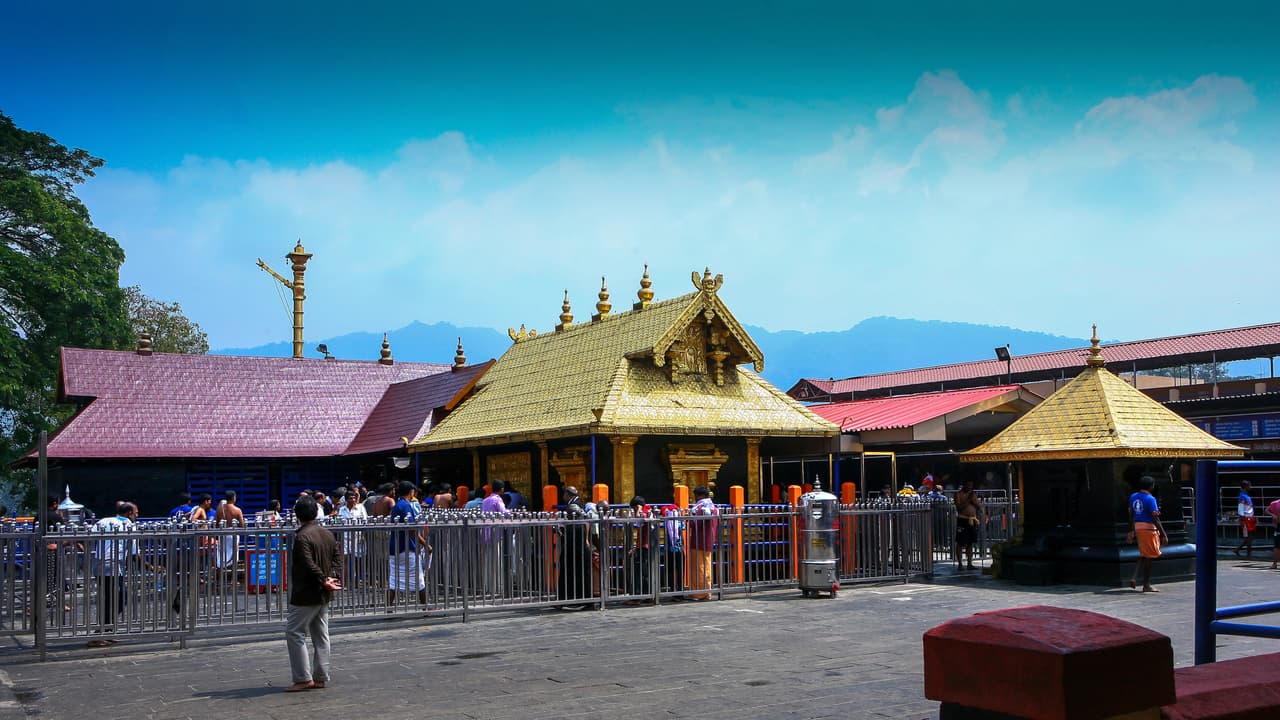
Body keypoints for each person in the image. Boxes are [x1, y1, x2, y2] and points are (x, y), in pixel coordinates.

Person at [284, 494, 341, 692]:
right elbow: (337, 559)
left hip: (306, 592)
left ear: (297, 515)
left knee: (295, 632)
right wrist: (331, 577)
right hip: (323, 592)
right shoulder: (327, 534)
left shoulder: (302, 536)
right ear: (316, 513)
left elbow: (308, 564)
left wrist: (324, 579)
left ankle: (302, 678)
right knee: (321, 634)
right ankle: (320, 677)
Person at [89, 502, 156, 647]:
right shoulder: (129, 526)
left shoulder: (104, 520)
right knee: (119, 599)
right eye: (136, 513)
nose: (137, 516)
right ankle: (99, 634)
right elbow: (134, 554)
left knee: (109, 599)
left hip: (99, 563)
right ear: (129, 513)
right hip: (112, 565)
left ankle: (108, 631)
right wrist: (149, 567)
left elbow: (90, 537)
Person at [387, 481, 427, 607]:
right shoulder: (405, 506)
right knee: (419, 577)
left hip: (395, 547)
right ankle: (425, 606)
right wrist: (425, 544)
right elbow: (411, 529)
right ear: (411, 492)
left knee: (394, 579)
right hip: (406, 547)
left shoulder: (397, 505)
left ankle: (388, 607)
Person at [1127, 476, 1169, 592]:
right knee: (1150, 556)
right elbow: (1155, 518)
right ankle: (1146, 584)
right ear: (1151, 486)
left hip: (1138, 527)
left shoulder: (1133, 496)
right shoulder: (1151, 499)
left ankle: (1134, 577)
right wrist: (1163, 534)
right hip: (1149, 529)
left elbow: (1131, 515)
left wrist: (1131, 530)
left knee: (1144, 553)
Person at [558, 486, 594, 608]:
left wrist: (585, 539)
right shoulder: (579, 503)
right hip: (577, 543)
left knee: (570, 570)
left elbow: (585, 520)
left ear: (568, 495)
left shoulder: (573, 506)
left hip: (575, 544)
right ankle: (578, 599)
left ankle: (565, 600)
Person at [686, 486, 718, 601]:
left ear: (699, 495)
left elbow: (695, 524)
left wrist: (688, 518)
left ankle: (698, 593)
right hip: (709, 540)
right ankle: (707, 592)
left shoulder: (699, 508)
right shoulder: (713, 507)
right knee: (707, 566)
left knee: (698, 567)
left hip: (698, 540)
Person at [626, 496, 655, 601]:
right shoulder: (649, 512)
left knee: (640, 572)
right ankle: (647, 595)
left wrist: (638, 509)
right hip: (643, 545)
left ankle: (637, 596)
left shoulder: (645, 513)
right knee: (644, 571)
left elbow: (639, 517)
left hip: (644, 546)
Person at [337, 490, 368, 586]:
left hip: (358, 538)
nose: (353, 500)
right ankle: (345, 583)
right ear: (346, 500)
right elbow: (338, 522)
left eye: (354, 498)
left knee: (358, 560)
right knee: (345, 560)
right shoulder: (342, 509)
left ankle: (356, 581)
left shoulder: (360, 508)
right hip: (346, 537)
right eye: (350, 498)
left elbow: (365, 521)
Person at [214, 490, 244, 572]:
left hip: (222, 534)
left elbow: (215, 522)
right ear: (233, 498)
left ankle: (220, 578)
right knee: (234, 557)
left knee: (221, 556)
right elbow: (242, 525)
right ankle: (232, 580)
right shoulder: (237, 510)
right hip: (232, 535)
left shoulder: (220, 509)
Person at [954, 480, 981, 570]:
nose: (970, 487)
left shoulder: (973, 494)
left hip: (972, 520)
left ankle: (970, 563)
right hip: (962, 519)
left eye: (971, 486)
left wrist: (974, 500)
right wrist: (968, 500)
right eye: (968, 485)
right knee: (960, 542)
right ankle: (960, 564)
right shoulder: (958, 494)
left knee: (970, 543)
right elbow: (959, 507)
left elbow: (978, 506)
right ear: (964, 486)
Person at [1235, 481, 1255, 557]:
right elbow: (1240, 509)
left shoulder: (1247, 496)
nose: (1250, 487)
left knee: (1250, 537)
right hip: (1246, 518)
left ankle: (1240, 550)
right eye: (1249, 486)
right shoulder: (1242, 496)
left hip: (1250, 518)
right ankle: (1247, 553)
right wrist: (1242, 520)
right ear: (1246, 486)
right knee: (1248, 537)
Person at [1268, 496, 1280, 571]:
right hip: (1278, 526)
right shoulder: (1275, 503)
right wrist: (1273, 515)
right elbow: (1266, 510)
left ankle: (1274, 563)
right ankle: (1274, 563)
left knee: (1277, 546)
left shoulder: (1275, 503)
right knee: (1277, 546)